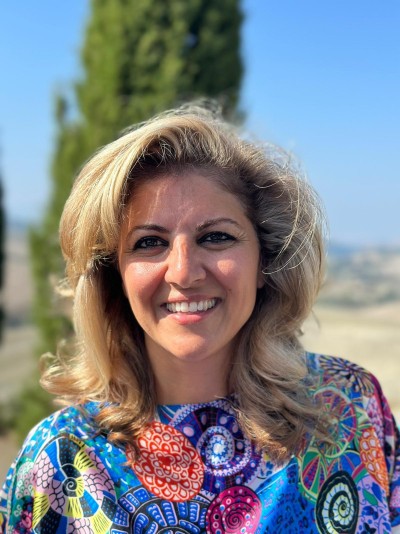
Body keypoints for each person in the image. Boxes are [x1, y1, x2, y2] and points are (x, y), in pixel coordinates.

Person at [1, 103, 399, 534]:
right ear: (116, 277)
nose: (184, 272)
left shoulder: (351, 407)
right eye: (149, 242)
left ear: (265, 262)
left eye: (216, 237)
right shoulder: (62, 462)